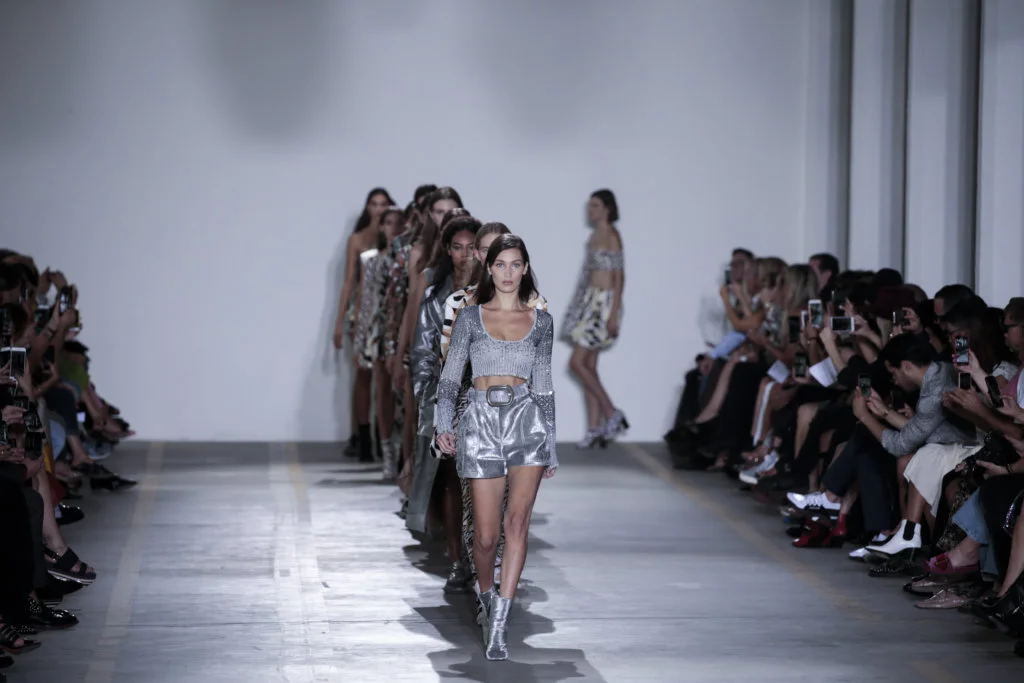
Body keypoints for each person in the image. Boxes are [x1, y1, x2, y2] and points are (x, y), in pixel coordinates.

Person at [435, 234, 557, 661]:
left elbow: (544, 387)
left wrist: (551, 443)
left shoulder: (541, 323)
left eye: (515, 264)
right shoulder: (470, 317)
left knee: (517, 524)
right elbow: (451, 377)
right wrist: (442, 424)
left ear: (525, 269)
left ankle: (500, 623)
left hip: (527, 423)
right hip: (481, 423)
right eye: (500, 264)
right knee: (486, 538)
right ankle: (486, 597)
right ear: (489, 268)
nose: (508, 272)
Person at [562, 189, 627, 448]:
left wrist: (614, 313)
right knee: (588, 365)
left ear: (607, 208)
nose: (591, 210)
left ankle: (611, 413)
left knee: (577, 363)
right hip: (591, 302)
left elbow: (619, 276)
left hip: (603, 304)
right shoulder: (594, 236)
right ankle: (594, 427)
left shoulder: (612, 235)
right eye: (590, 205)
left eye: (596, 206)